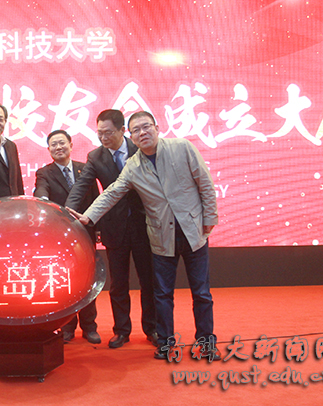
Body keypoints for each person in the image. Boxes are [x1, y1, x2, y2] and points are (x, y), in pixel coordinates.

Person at [69, 111, 220, 360]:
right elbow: (112, 192)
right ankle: (166, 343)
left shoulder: (182, 147)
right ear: (131, 136)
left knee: (201, 293)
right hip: (161, 237)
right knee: (162, 294)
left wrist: (210, 218)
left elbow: (204, 182)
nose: (142, 133)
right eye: (137, 130)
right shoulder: (133, 165)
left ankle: (206, 343)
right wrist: (88, 217)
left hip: (193, 232)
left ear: (157, 128)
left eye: (146, 127)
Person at [66, 109, 157, 349]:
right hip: (114, 228)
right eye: (100, 133)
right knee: (118, 284)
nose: (103, 138)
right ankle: (122, 331)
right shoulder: (96, 157)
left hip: (144, 225)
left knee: (149, 281)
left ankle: (152, 328)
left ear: (122, 131)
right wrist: (67, 210)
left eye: (108, 133)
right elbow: (82, 185)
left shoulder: (140, 148)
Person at [33, 129, 101, 344]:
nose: (58, 147)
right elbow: (40, 191)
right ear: (48, 149)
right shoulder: (44, 172)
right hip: (60, 236)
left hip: (86, 232)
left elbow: (95, 198)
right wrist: (42, 201)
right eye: (53, 144)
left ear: (71, 145)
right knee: (65, 281)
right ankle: (67, 327)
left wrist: (97, 227)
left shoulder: (85, 169)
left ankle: (90, 327)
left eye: (62, 143)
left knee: (88, 279)